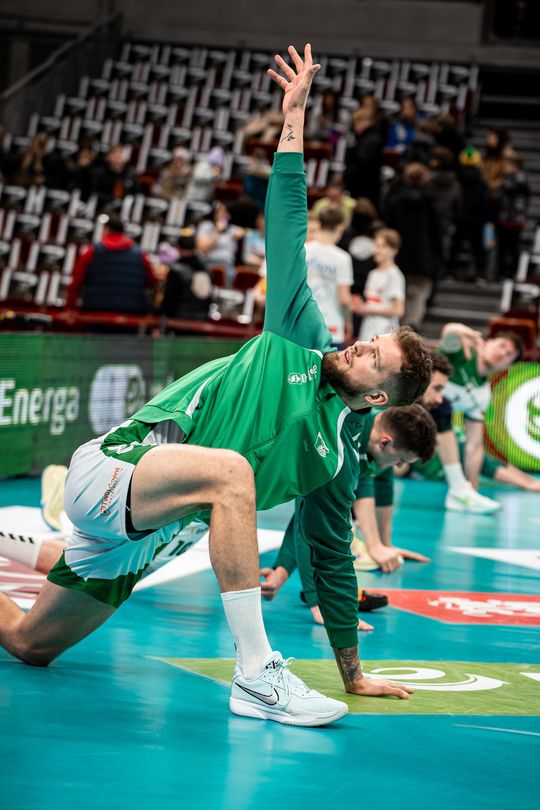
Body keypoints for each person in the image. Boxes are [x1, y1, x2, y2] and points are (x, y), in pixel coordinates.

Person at [0, 45, 432, 727]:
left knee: (30, 644)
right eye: (367, 339)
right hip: (119, 466)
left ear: (377, 397)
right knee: (233, 475)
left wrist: (354, 674)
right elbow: (286, 223)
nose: (357, 345)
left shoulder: (336, 460)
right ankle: (256, 675)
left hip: (146, 532)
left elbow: (330, 558)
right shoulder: (299, 334)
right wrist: (294, 120)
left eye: (371, 357)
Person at [261, 405, 437, 626]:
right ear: (385, 442)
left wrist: (281, 570)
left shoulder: (366, 436)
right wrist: (318, 602)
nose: (397, 466)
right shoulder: (338, 441)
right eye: (400, 460)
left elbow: (305, 510)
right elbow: (311, 518)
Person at [396, 351, 540, 501]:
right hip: (423, 466)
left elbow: (470, 446)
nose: (439, 398)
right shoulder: (392, 405)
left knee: (472, 453)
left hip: (442, 463)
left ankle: (529, 483)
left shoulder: (444, 408)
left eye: (442, 390)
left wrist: (470, 491)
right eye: (437, 389)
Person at [438, 323, 523, 494]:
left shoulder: (482, 395)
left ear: (507, 367)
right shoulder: (462, 353)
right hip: (403, 411)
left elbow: (474, 446)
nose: (502, 353)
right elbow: (449, 332)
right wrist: (468, 332)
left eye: (509, 355)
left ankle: (466, 492)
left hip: (433, 434)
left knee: (470, 448)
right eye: (502, 346)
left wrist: (473, 489)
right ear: (488, 342)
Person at [383, 162, 442, 328]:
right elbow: (436, 232)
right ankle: (410, 329)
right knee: (417, 295)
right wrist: (439, 256)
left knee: (398, 291)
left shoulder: (395, 201)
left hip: (399, 255)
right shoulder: (430, 203)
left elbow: (388, 226)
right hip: (422, 257)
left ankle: (397, 330)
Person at [65, 213, 160, 317]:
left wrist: (70, 309)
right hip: (130, 315)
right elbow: (153, 283)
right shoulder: (140, 255)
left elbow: (75, 284)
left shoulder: (92, 252)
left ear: (106, 229)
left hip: (96, 314)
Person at [305, 204, 353, 347]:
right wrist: (349, 322)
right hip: (331, 327)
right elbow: (344, 298)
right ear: (340, 227)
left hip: (304, 323)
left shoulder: (303, 250)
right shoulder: (342, 258)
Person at [353, 228, 405, 341]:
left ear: (394, 250)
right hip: (368, 329)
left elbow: (398, 310)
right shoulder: (373, 274)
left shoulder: (394, 275)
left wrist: (366, 309)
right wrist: (359, 305)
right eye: (376, 246)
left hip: (384, 333)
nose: (377, 250)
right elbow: (372, 302)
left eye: (383, 246)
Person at [495, 148, 530, 279]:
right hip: (505, 217)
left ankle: (513, 271)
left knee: (512, 246)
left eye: (507, 165)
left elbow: (512, 188)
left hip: (514, 218)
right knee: (503, 247)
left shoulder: (519, 177)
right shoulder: (507, 178)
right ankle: (501, 272)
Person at [196, 201, 246, 286]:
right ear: (215, 213)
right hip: (208, 263)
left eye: (227, 212)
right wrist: (217, 231)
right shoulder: (206, 226)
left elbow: (244, 232)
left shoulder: (231, 229)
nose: (225, 215)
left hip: (227, 266)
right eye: (222, 212)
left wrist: (240, 232)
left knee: (233, 275)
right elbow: (203, 248)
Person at [344, 108, 383, 208]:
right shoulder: (365, 138)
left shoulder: (371, 140)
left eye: (358, 122)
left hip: (365, 186)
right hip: (363, 184)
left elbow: (361, 163)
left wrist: (347, 174)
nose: (355, 126)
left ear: (367, 121)